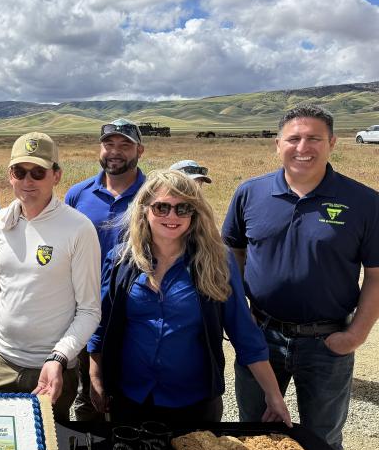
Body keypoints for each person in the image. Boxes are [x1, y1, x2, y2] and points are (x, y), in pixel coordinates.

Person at [223, 104, 379, 450]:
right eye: (293, 138)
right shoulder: (250, 193)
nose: (303, 147)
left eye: (314, 139)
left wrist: (355, 335)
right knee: (251, 434)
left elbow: (376, 275)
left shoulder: (365, 202)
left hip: (327, 341)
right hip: (260, 334)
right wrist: (240, 313)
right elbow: (230, 253)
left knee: (322, 441)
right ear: (277, 144)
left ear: (332, 143)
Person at [88, 169, 291, 426]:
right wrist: (96, 375)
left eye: (182, 209)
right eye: (162, 207)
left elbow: (244, 333)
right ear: (144, 209)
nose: (172, 216)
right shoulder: (121, 260)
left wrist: (273, 395)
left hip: (193, 401)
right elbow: (102, 323)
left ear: (194, 214)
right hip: (131, 397)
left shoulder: (216, 261)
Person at [0, 132, 101, 422]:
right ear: (10, 175)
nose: (28, 181)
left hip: (53, 369)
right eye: (20, 171)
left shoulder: (78, 228)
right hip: (3, 362)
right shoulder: (0, 223)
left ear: (56, 176)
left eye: (38, 172)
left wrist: (59, 358)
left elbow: (90, 310)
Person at [65, 118, 146, 421]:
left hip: (135, 311)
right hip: (85, 308)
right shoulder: (78, 195)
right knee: (89, 394)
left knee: (131, 392)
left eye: (124, 145)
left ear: (140, 150)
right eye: (108, 144)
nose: (115, 151)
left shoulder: (153, 195)